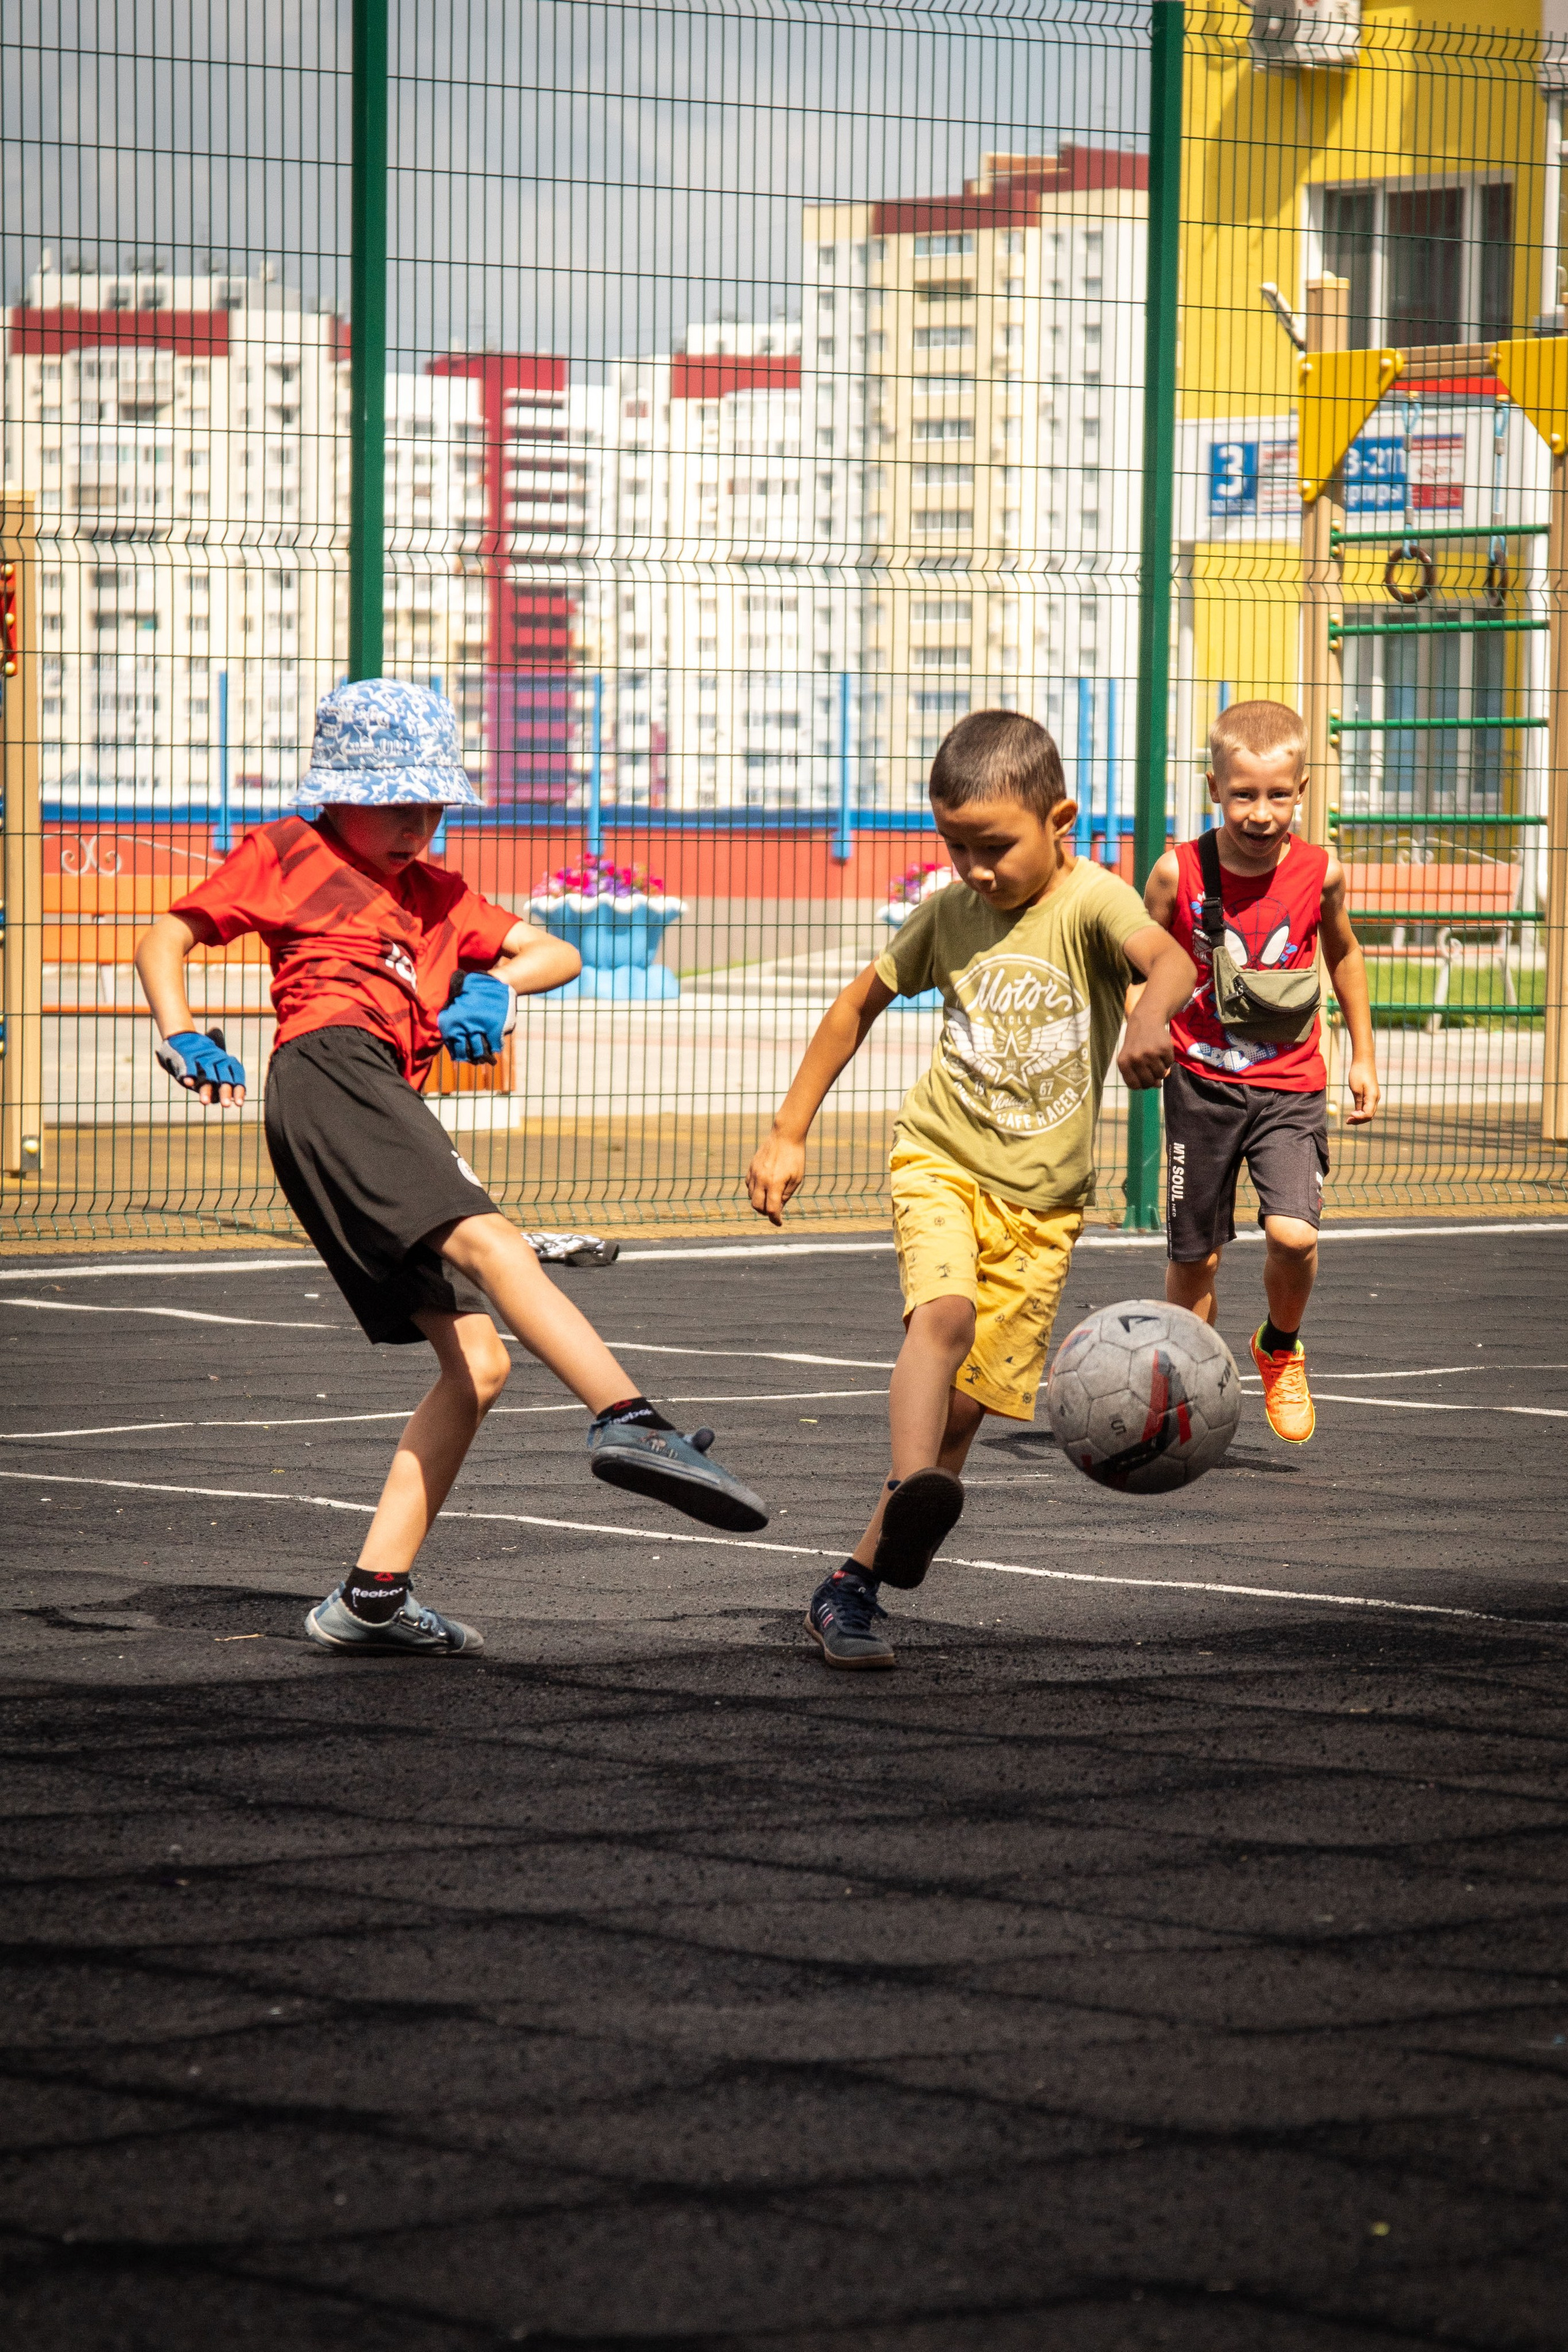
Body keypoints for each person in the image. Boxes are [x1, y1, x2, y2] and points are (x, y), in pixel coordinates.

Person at [135, 679, 768, 1656]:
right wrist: (181, 1032)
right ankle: (629, 1418)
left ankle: (371, 1599)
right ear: (337, 793)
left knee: (478, 1365)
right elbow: (167, 934)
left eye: (431, 804)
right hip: (330, 1066)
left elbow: (553, 950)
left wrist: (496, 988)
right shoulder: (288, 851)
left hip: (380, 1090)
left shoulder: (439, 897)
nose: (417, 822)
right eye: (395, 802)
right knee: (490, 1239)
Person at [745, 710, 1197, 1671]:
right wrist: (789, 1131)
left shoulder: (1093, 903)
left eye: (994, 847)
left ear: (1059, 817)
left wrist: (1149, 1020)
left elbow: (1170, 960)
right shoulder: (948, 914)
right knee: (939, 1319)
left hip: (1043, 1208)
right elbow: (855, 1004)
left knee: (960, 1415)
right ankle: (914, 1487)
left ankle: (851, 1588)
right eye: (955, 847)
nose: (975, 869)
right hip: (941, 1157)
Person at [1139, 697, 1380, 1444]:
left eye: (1279, 795)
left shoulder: (1320, 872)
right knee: (1196, 1257)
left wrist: (1363, 1053)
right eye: (1243, 794)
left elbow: (1342, 954)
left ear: (1302, 792)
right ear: (1214, 789)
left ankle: (1279, 1346)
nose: (1261, 812)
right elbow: (1136, 956)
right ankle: (1180, 1384)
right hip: (1200, 1084)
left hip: (1292, 1083)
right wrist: (1141, 1028)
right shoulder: (1176, 872)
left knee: (1294, 1235)